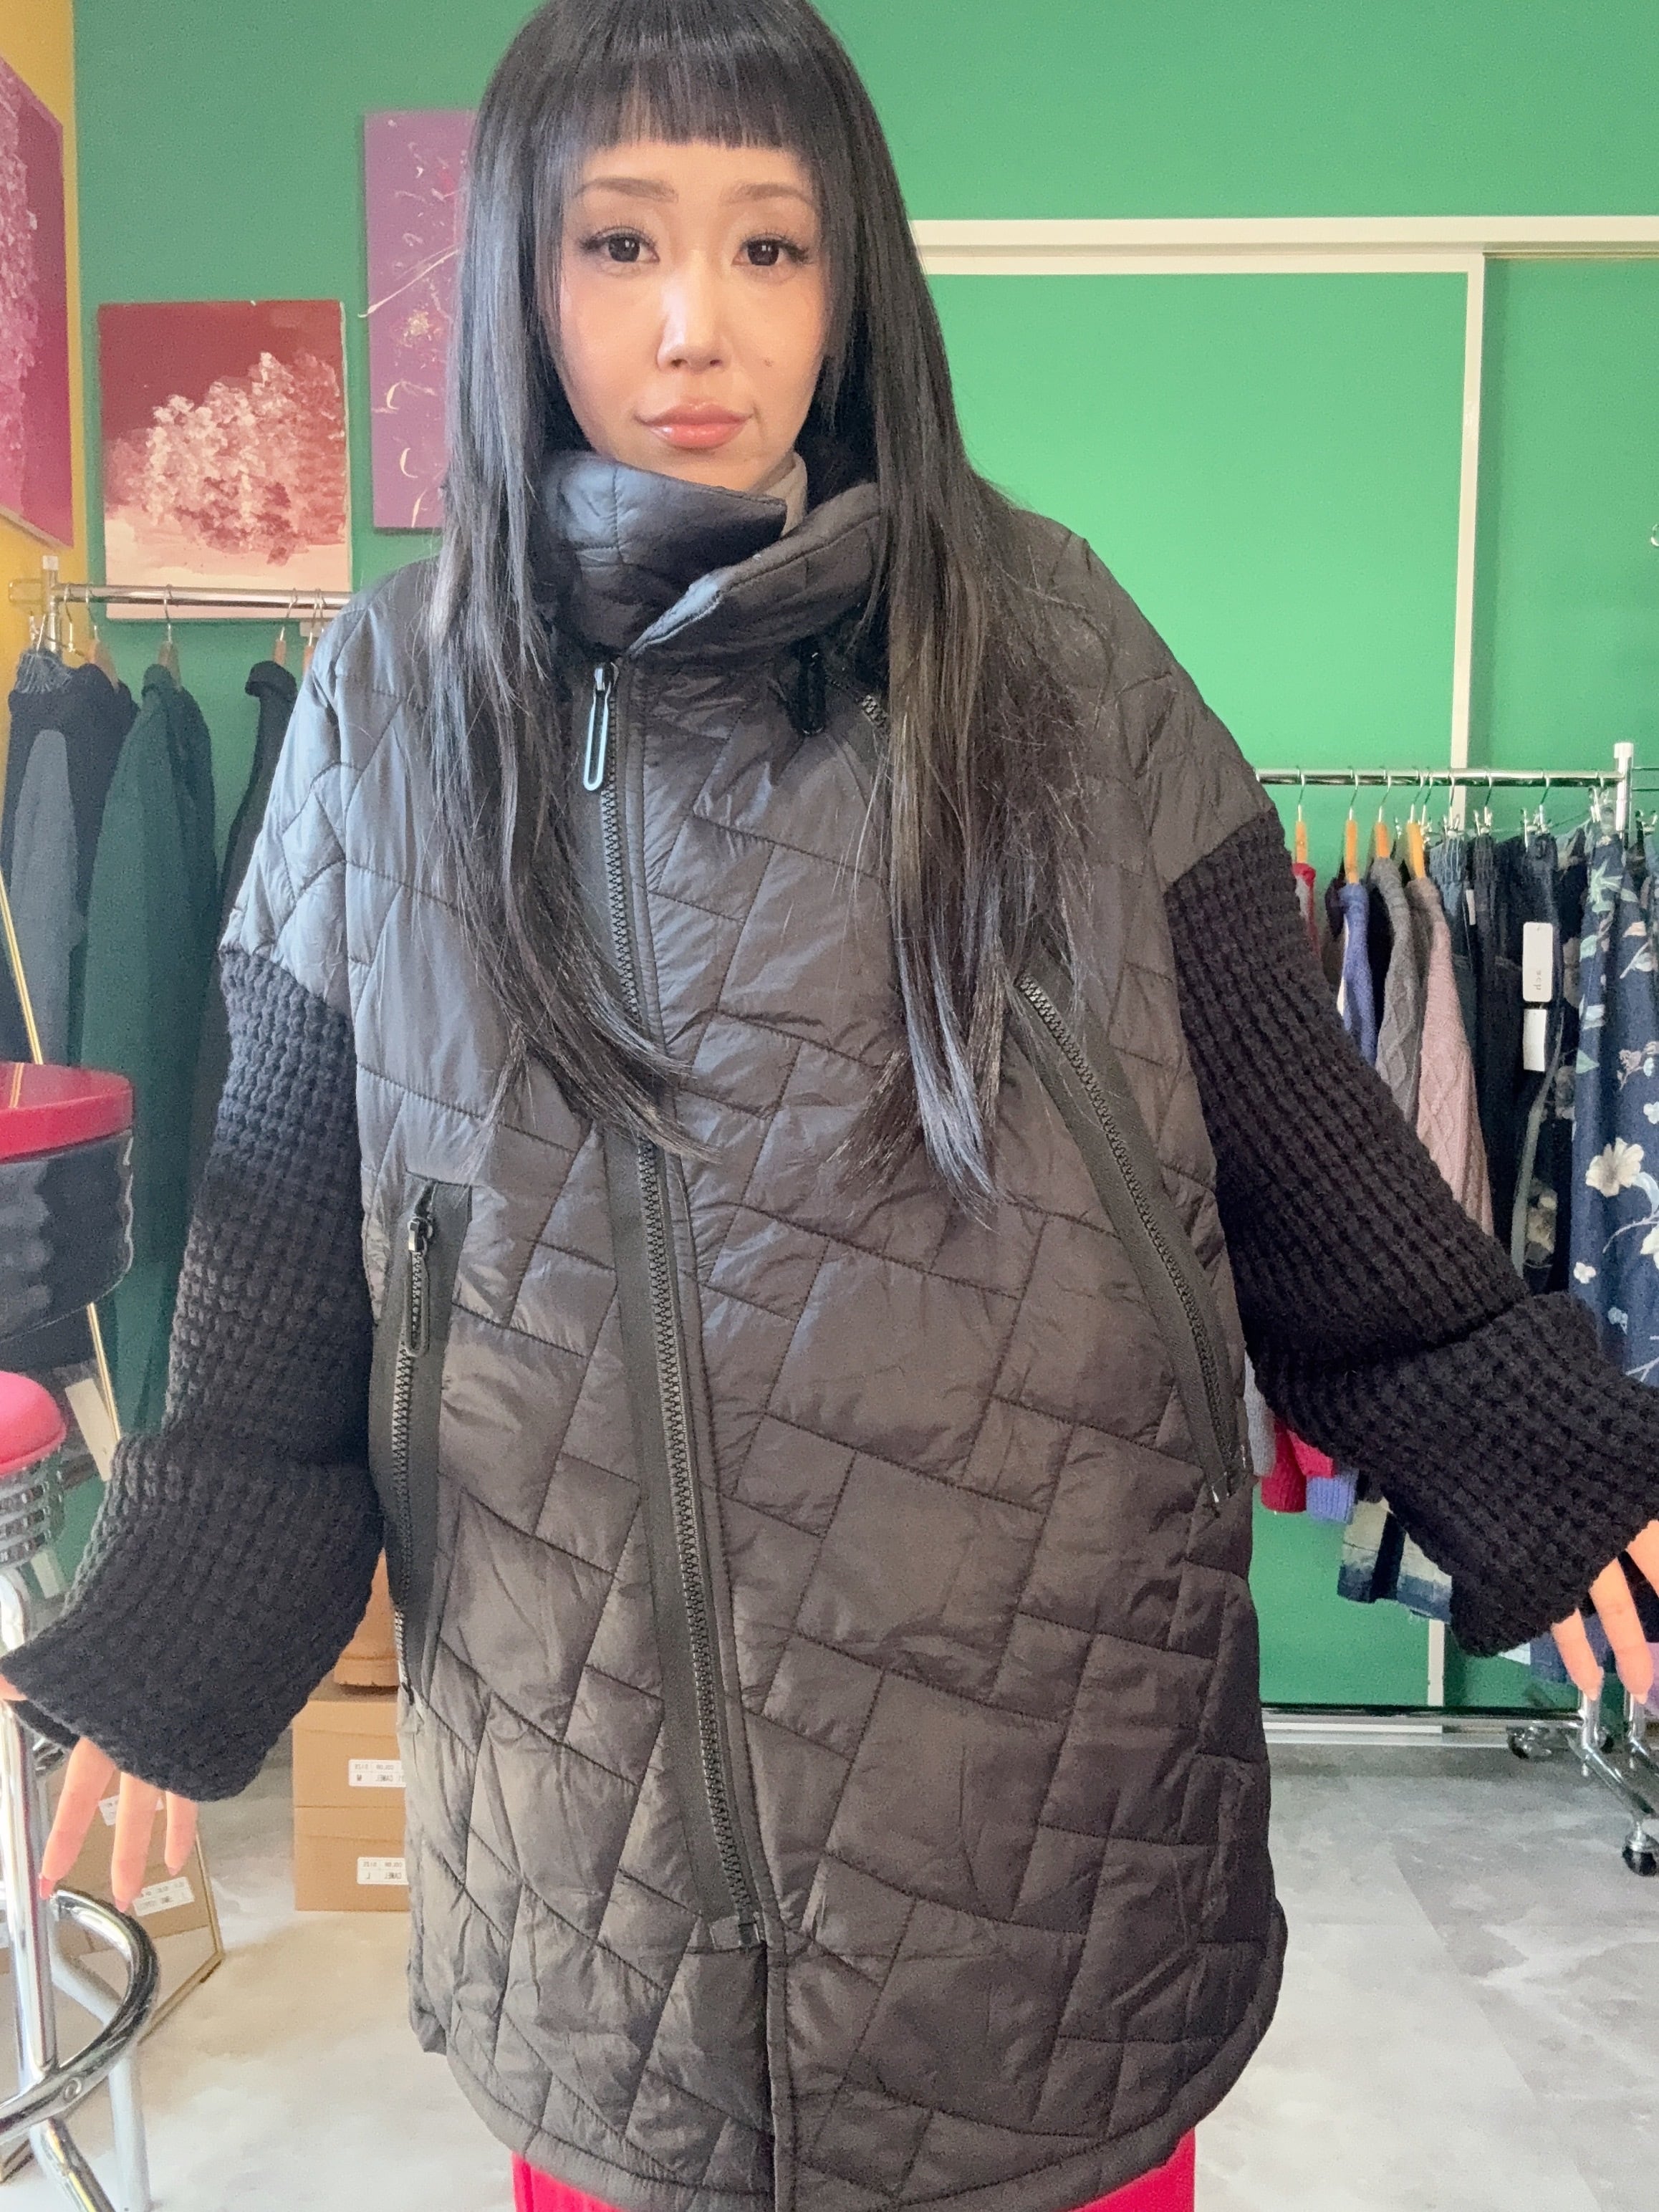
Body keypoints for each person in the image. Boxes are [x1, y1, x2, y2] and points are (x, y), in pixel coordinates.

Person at [6, 4, 1658, 2208]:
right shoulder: (390, 706)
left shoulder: (1054, 648)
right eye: (620, 242)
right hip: (607, 1920)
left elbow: (1306, 1167)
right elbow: (292, 1306)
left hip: (1061, 1878)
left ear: (853, 275)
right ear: (519, 274)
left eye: (769, 247)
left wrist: (1528, 1451)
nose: (697, 322)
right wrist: (174, 1629)